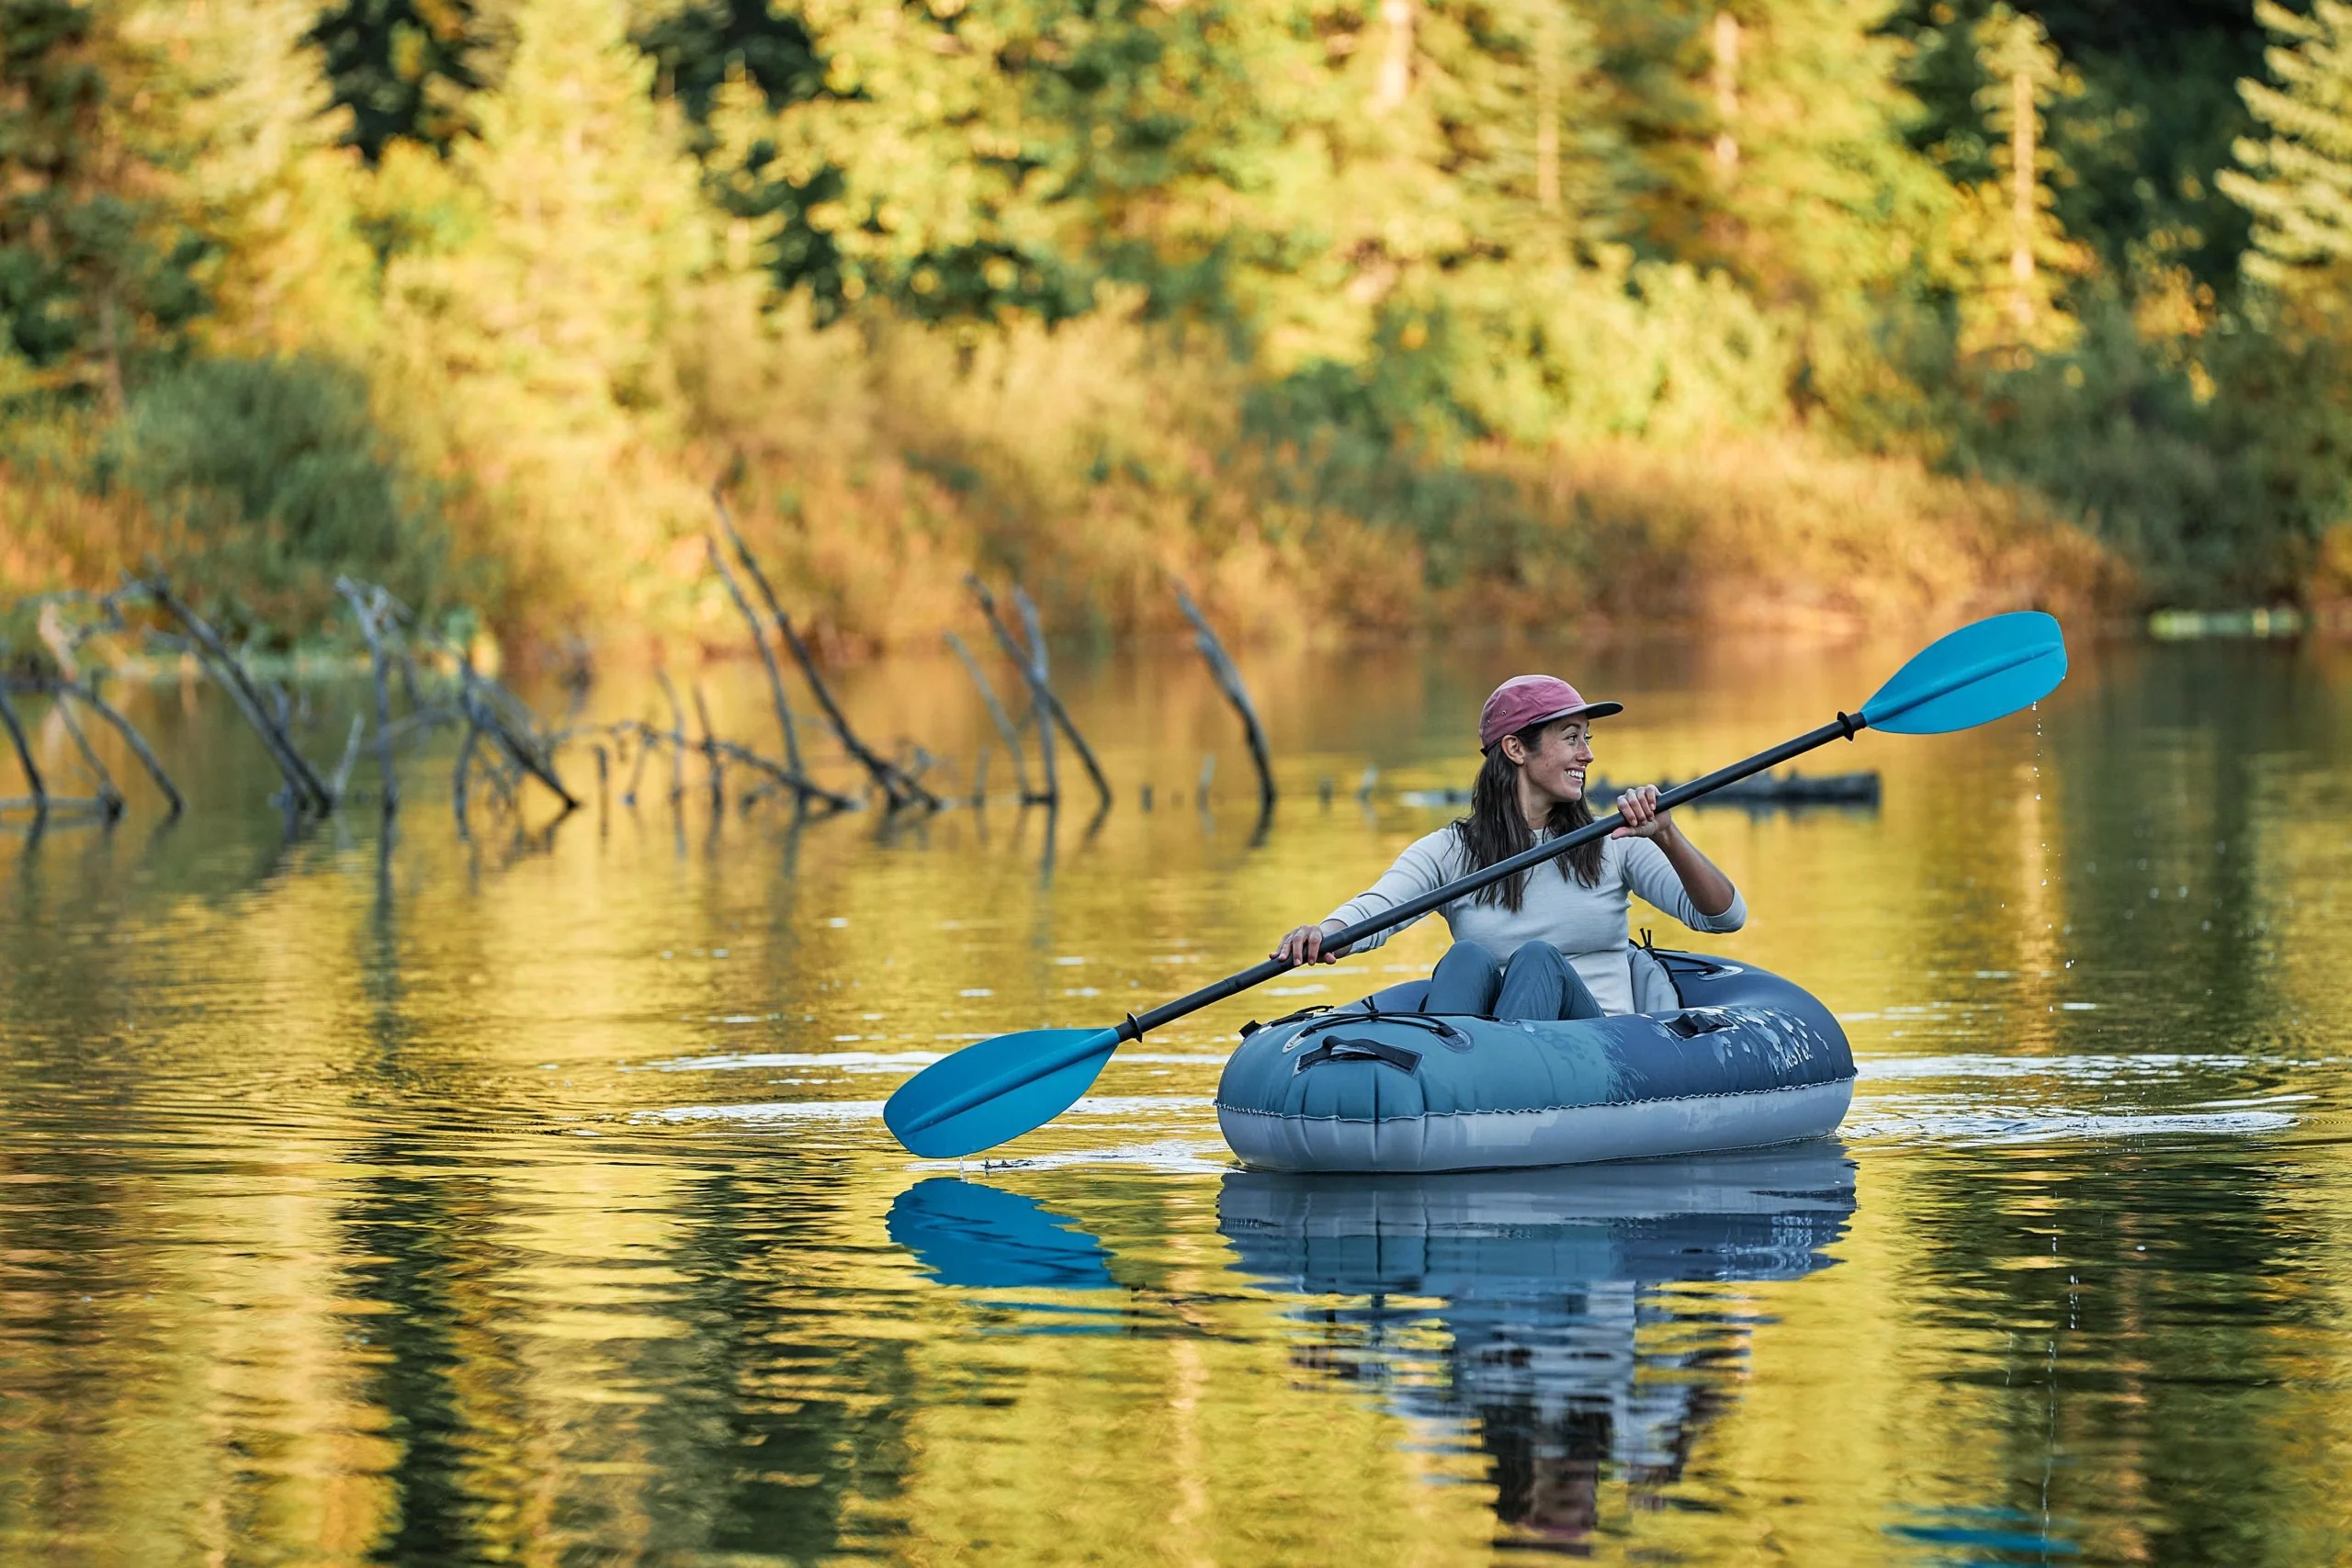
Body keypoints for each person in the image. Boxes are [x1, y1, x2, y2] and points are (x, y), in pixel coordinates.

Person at [1272, 674, 1745, 1020]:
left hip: (1601, 1049)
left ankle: (1486, 1081)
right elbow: (1378, 908)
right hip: (1495, 1057)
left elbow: (1724, 916)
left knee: (1539, 959)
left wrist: (1666, 835)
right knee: (1465, 958)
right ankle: (1460, 1087)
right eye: (1571, 738)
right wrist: (1323, 932)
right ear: (1516, 749)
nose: (1588, 754)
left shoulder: (1615, 840)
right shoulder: (1451, 851)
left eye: (1587, 738)